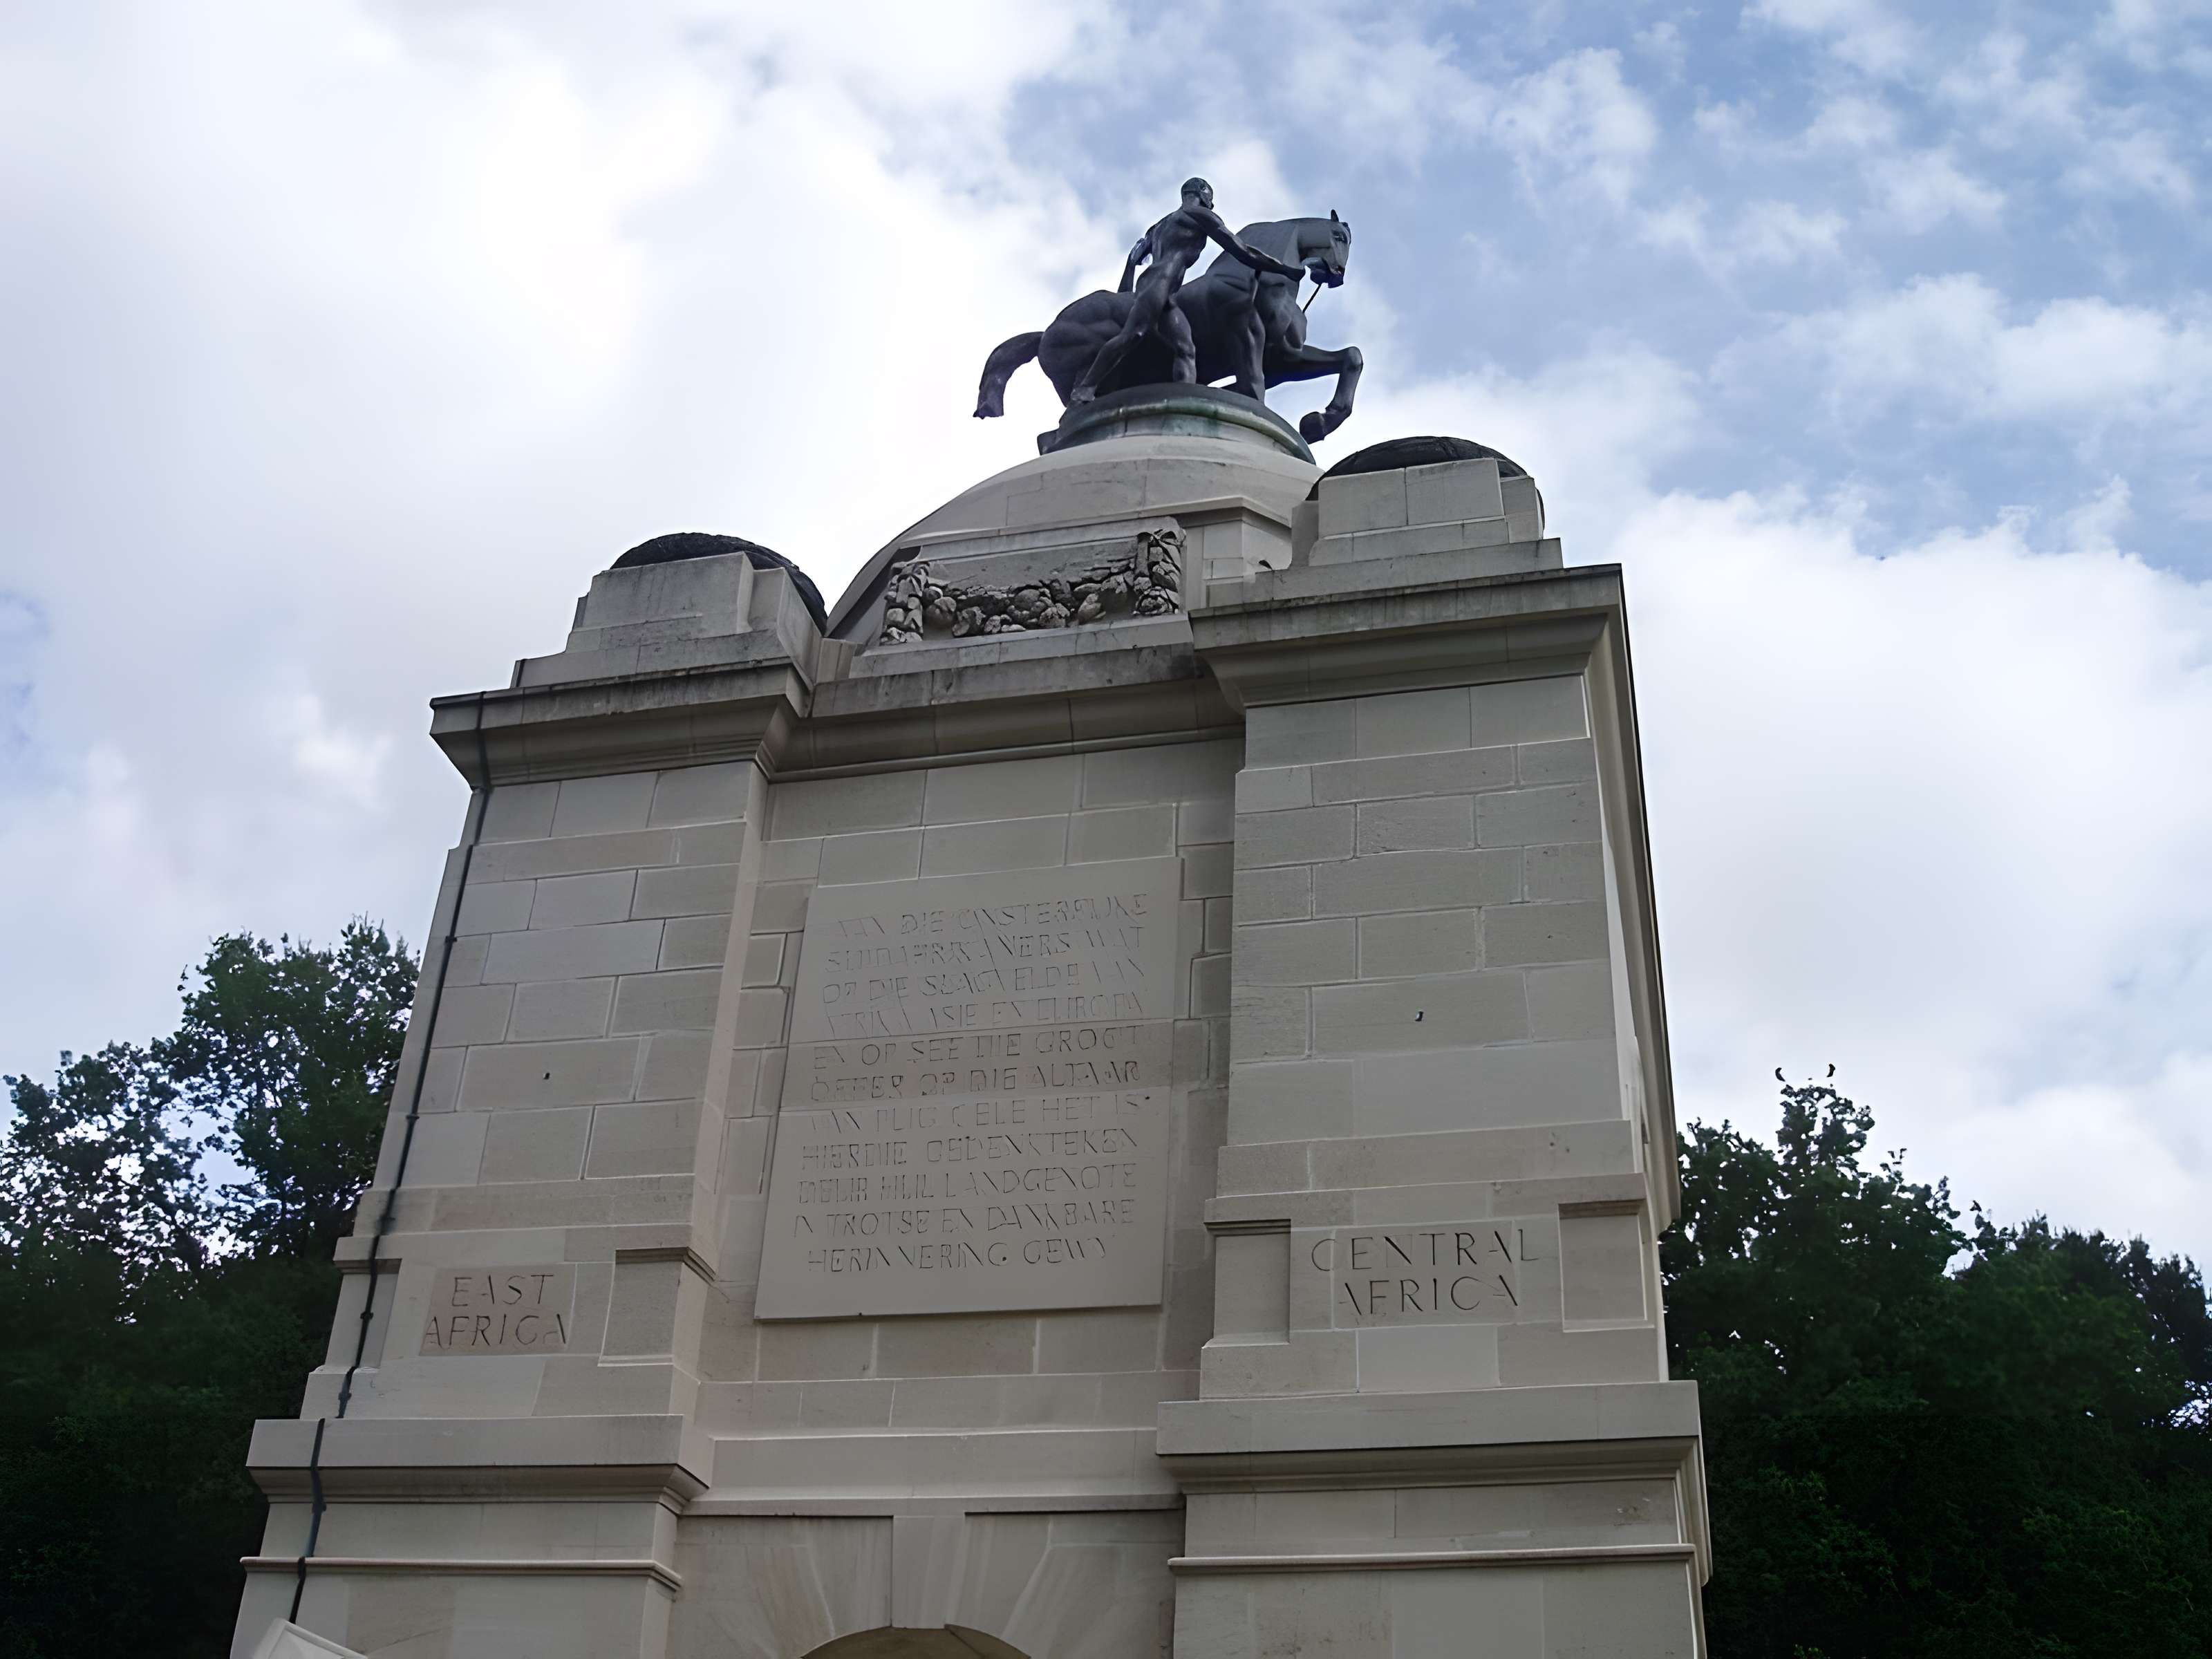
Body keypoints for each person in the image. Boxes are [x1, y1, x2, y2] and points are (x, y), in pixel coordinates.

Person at [1069, 178, 1307, 404]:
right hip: (1159, 288)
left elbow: (1133, 261)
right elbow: (1242, 250)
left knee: (1185, 348)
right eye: (1210, 199)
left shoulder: (1158, 227)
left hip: (1160, 291)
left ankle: (1183, 403)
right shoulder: (1199, 215)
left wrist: (1130, 285)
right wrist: (1283, 268)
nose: (1211, 205)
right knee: (1132, 337)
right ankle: (1085, 389)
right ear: (1203, 195)